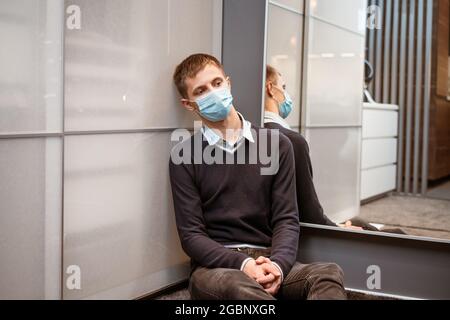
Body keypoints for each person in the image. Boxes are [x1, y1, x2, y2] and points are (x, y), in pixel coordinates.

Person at [169, 53, 347, 300]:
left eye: (217, 83)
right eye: (201, 91)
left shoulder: (278, 145)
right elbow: (191, 236)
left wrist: (277, 267)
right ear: (189, 104)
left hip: (269, 257)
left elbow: (286, 219)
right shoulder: (184, 156)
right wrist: (244, 264)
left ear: (228, 83)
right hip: (217, 269)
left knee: (328, 272)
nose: (212, 93)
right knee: (238, 287)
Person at [264, 65, 405, 234]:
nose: (287, 96)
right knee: (394, 234)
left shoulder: (246, 134)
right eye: (284, 87)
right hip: (293, 234)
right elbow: (310, 216)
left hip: (278, 229)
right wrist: (339, 230)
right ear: (271, 89)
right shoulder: (290, 141)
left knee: (357, 221)